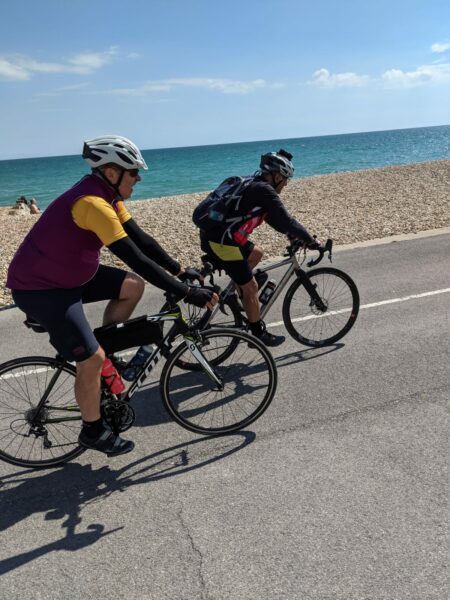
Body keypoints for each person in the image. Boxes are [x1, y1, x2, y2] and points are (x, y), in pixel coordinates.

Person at [7, 135, 217, 457]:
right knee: (91, 359)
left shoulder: (109, 197)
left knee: (132, 286)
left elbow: (141, 240)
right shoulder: (93, 204)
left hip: (71, 275)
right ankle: (92, 430)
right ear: (111, 172)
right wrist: (187, 293)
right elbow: (135, 257)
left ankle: (105, 359)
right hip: (42, 288)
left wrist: (178, 270)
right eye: (134, 172)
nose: (139, 178)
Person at [197, 149, 320, 347]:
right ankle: (257, 334)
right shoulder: (264, 191)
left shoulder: (254, 185)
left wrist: (292, 235)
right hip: (223, 242)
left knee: (256, 253)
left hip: (217, 236)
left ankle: (235, 294)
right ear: (277, 177)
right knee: (251, 286)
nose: (286, 184)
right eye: (285, 179)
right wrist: (312, 241)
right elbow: (287, 220)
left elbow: (275, 219)